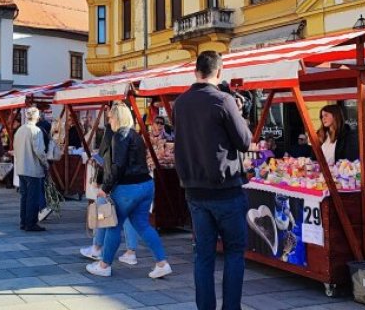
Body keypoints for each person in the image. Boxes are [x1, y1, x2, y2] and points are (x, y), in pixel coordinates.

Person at [173, 51, 253, 310]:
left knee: (203, 256)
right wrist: (239, 113)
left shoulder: (181, 103)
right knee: (233, 253)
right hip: (225, 189)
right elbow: (244, 141)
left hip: (194, 191)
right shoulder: (223, 100)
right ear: (219, 72)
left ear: (196, 72)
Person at [86, 102, 171, 279]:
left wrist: (105, 188)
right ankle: (161, 263)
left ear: (117, 117)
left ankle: (104, 265)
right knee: (143, 225)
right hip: (146, 185)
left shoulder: (120, 135)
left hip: (127, 188)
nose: (108, 120)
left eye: (110, 117)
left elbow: (118, 165)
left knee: (113, 225)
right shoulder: (135, 135)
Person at [80, 123, 141, 264]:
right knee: (126, 219)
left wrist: (104, 186)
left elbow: (109, 163)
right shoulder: (133, 136)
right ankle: (130, 252)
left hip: (116, 185)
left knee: (103, 214)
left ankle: (98, 248)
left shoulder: (113, 135)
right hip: (130, 184)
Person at [14, 107, 48, 232]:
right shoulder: (36, 130)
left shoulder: (20, 130)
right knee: (32, 197)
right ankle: (31, 223)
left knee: (24, 196)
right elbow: (39, 151)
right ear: (37, 117)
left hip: (21, 168)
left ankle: (23, 222)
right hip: (33, 168)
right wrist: (45, 163)